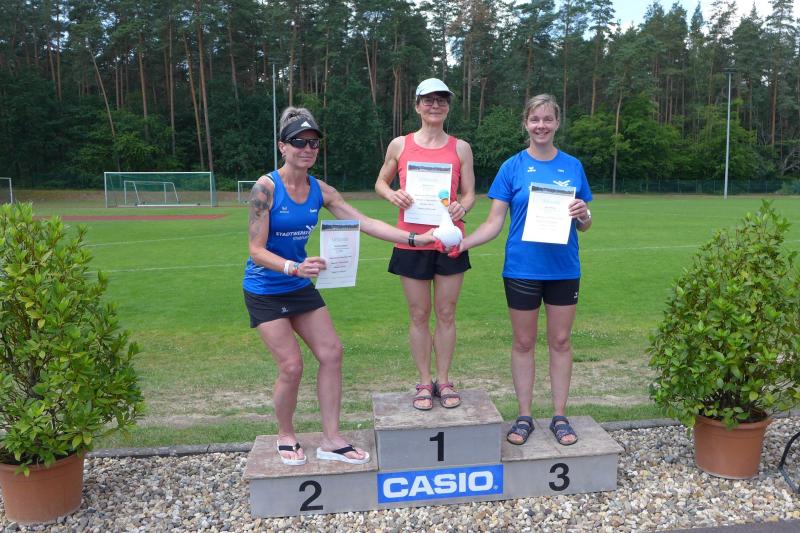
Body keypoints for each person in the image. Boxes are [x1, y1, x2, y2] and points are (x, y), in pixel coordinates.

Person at [244, 107, 436, 465]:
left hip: (299, 285)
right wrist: (293, 267)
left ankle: (331, 439)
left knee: (332, 353)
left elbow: (365, 222)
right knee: (291, 366)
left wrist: (414, 238)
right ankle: (285, 434)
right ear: (282, 146)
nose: (307, 148)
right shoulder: (265, 189)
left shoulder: (321, 190)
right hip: (265, 288)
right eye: (299, 142)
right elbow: (256, 250)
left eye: (314, 143)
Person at [458, 94, 592, 446]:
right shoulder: (511, 167)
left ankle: (560, 416)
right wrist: (464, 243)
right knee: (523, 342)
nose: (541, 126)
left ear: (557, 123)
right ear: (526, 123)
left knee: (560, 341)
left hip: (563, 269)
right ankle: (524, 416)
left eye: (547, 119)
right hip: (521, 269)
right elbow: (493, 223)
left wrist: (584, 215)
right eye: (535, 119)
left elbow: (584, 223)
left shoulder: (572, 166)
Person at [374, 78, 476, 411]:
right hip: (411, 242)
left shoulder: (461, 148)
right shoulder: (399, 145)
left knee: (446, 313)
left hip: (449, 241)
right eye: (428, 100)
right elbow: (380, 182)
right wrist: (392, 194)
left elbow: (469, 194)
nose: (435, 105)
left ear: (448, 107)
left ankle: (443, 380)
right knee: (419, 314)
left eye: (441, 100)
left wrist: (463, 207)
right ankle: (423, 381)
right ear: (417, 105)